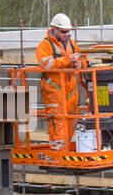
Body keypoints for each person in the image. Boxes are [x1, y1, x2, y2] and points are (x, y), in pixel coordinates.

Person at [35, 13, 88, 148]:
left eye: (67, 31)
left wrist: (80, 64)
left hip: (70, 88)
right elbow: (46, 64)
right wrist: (68, 60)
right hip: (54, 88)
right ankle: (58, 150)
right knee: (57, 119)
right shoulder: (45, 45)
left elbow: (82, 58)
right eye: (63, 31)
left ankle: (66, 147)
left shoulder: (71, 43)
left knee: (72, 118)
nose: (66, 34)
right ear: (54, 29)